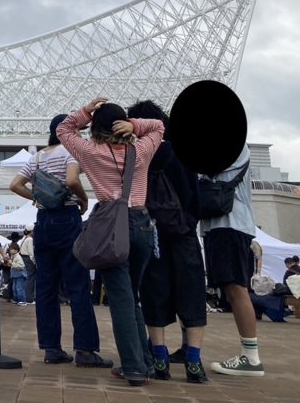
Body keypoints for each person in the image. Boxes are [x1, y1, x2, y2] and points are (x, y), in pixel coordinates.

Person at [58, 99, 164, 387]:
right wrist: (135, 125)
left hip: (111, 228)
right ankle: (145, 361)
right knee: (132, 296)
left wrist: (86, 111)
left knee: (121, 300)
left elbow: (63, 129)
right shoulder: (141, 150)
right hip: (142, 223)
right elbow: (159, 126)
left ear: (96, 128)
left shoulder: (90, 152)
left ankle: (134, 368)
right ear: (122, 125)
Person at [11, 113, 110, 368]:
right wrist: (83, 199)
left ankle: (51, 348)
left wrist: (37, 198)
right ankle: (85, 350)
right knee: (77, 285)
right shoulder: (71, 152)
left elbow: (15, 184)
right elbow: (72, 180)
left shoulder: (37, 157)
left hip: (43, 221)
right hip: (67, 219)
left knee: (46, 288)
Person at [128, 100, 209, 384]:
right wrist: (188, 223)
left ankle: (160, 359)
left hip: (152, 232)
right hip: (183, 233)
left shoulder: (137, 154)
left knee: (154, 292)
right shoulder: (181, 152)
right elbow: (195, 196)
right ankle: (194, 362)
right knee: (192, 292)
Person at [199, 144, 265, 377]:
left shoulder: (235, 145)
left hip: (231, 224)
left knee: (236, 288)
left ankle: (251, 357)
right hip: (221, 226)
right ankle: (250, 355)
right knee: (232, 288)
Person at [19, 225, 36, 304]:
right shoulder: (30, 239)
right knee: (31, 278)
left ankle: (26, 297)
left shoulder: (24, 238)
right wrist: (35, 263)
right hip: (28, 259)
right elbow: (31, 253)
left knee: (27, 278)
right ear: (31, 231)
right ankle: (29, 298)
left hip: (23, 258)